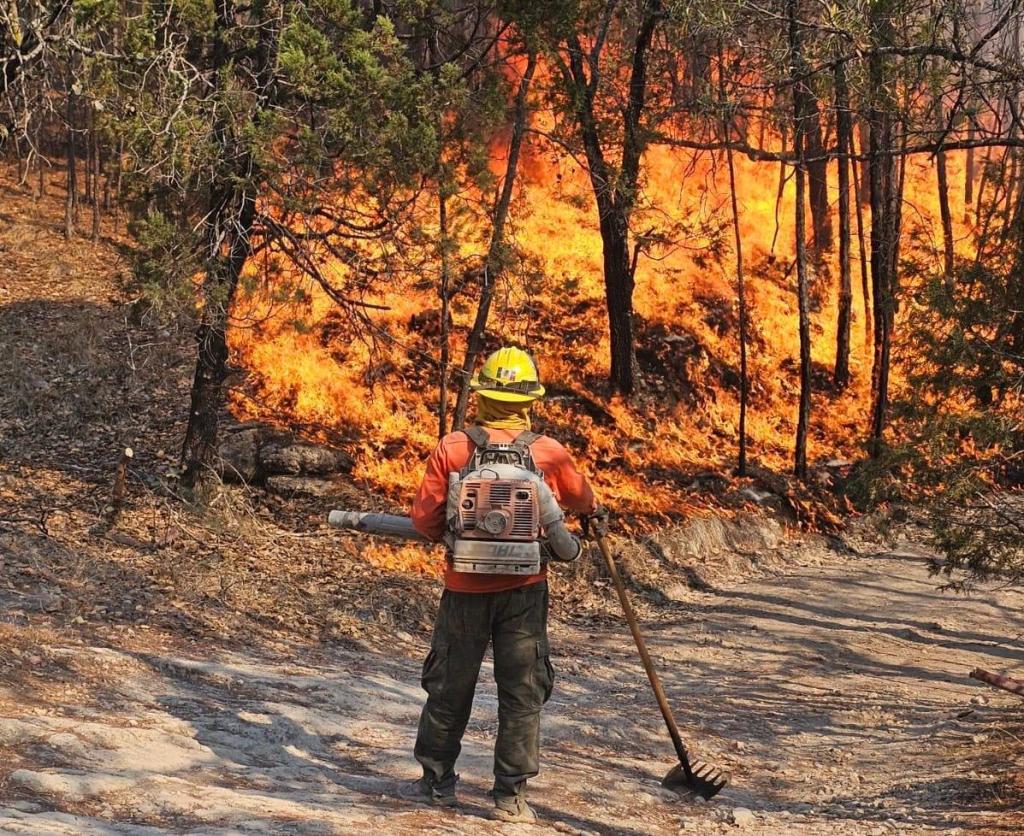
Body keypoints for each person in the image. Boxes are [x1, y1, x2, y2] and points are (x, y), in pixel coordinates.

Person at [403, 346, 598, 823]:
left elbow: (424, 520)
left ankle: (436, 783)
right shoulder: (547, 452)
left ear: (481, 396)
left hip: (464, 590)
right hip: (524, 591)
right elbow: (584, 500)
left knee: (449, 686)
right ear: (531, 398)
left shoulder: (453, 447)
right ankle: (510, 796)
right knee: (522, 692)